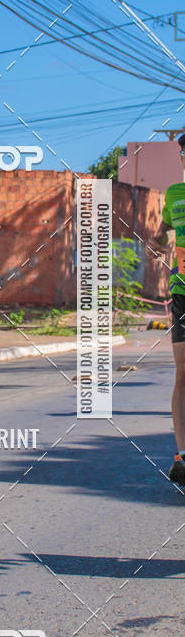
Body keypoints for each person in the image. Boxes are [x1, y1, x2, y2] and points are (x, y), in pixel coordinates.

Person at [153, 131, 185, 485]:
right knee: (183, 373)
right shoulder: (175, 195)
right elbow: (161, 232)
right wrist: (157, 240)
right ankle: (183, 454)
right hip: (183, 293)